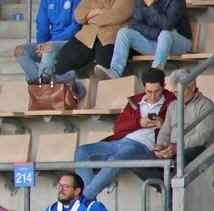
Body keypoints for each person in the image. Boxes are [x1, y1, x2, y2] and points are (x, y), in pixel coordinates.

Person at [73, 68, 173, 200]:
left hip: (142, 147)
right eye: (149, 92)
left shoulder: (173, 102)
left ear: (164, 86)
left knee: (114, 161)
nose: (153, 96)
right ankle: (88, 201)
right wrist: (139, 122)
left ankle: (83, 200)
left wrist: (163, 125)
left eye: (157, 91)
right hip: (121, 142)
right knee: (81, 152)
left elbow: (181, 129)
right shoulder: (135, 101)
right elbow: (118, 128)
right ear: (144, 88)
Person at [52, 0, 135, 81]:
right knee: (63, 61)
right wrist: (98, 10)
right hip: (87, 36)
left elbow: (116, 15)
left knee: (104, 68)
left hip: (110, 37)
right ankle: (70, 94)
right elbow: (77, 14)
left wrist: (91, 18)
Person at [105, 0, 192, 79]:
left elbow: (167, 24)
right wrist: (158, 33)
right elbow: (136, 23)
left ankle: (155, 74)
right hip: (154, 41)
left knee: (165, 35)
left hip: (180, 41)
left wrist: (151, 5)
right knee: (124, 32)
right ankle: (115, 71)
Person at [16, 0, 83, 81]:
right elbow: (42, 25)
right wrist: (41, 44)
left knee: (48, 48)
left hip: (71, 42)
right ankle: (46, 84)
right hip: (49, 44)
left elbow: (76, 26)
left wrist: (49, 43)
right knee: (20, 51)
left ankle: (43, 88)